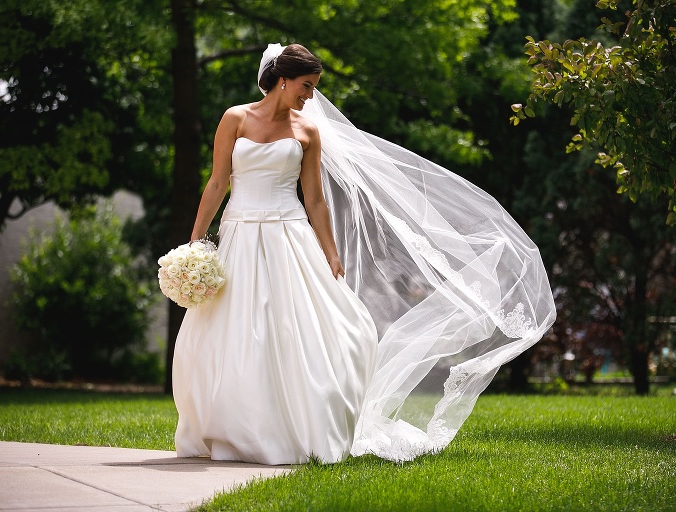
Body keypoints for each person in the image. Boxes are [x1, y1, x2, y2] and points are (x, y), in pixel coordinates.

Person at [173, 43, 556, 465]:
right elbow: (217, 183)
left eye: (314, 88)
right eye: (306, 86)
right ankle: (233, 427)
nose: (310, 96)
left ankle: (294, 427)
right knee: (235, 330)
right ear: (282, 80)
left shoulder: (307, 131)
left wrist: (331, 253)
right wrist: (195, 239)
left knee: (317, 327)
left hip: (289, 235)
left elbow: (315, 199)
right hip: (240, 234)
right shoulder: (235, 118)